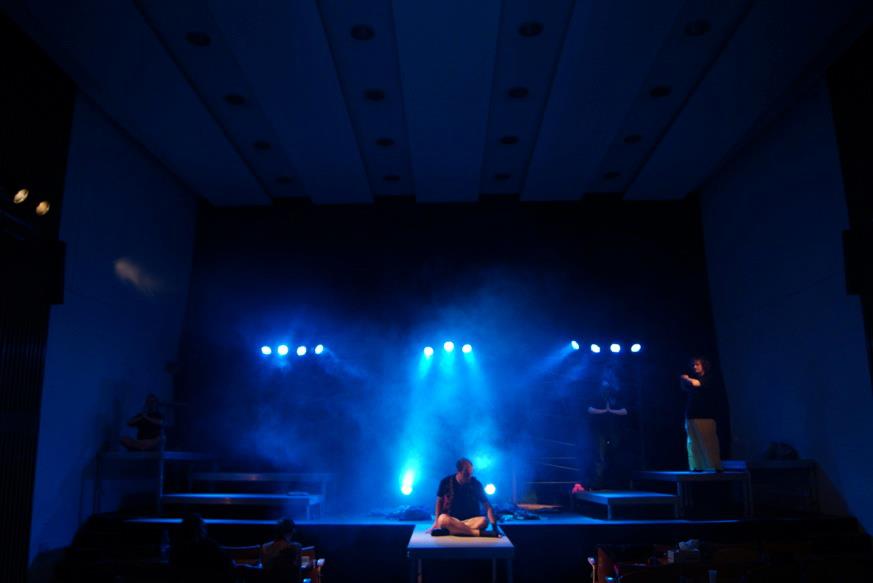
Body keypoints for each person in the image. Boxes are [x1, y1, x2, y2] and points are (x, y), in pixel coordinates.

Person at [429, 458, 499, 537]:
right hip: (451, 519)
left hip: (469, 521)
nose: (469, 477)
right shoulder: (445, 482)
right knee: (442, 519)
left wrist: (495, 528)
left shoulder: (476, 484)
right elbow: (439, 501)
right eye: (466, 474)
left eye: (470, 474)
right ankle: (476, 533)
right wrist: (436, 522)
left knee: (484, 521)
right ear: (458, 471)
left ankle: (451, 531)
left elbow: (488, 507)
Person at [679, 357, 723, 471]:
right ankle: (696, 466)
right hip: (691, 415)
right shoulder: (695, 379)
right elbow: (685, 388)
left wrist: (687, 378)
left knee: (708, 442)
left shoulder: (708, 378)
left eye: (697, 364)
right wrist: (684, 381)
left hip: (705, 416)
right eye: (693, 365)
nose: (695, 367)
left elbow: (697, 384)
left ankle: (714, 466)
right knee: (692, 443)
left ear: (704, 365)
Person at [586, 373, 629, 488]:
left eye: (607, 386)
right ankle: (599, 481)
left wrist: (610, 411)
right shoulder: (596, 397)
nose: (606, 388)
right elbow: (590, 409)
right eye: (604, 386)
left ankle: (617, 480)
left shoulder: (615, 398)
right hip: (601, 431)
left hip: (613, 431)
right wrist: (604, 411)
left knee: (615, 454)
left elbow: (625, 411)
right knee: (601, 456)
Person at [169, 514, 234, 582]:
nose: (206, 529)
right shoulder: (210, 547)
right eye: (203, 527)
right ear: (199, 529)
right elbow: (227, 563)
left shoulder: (176, 548)